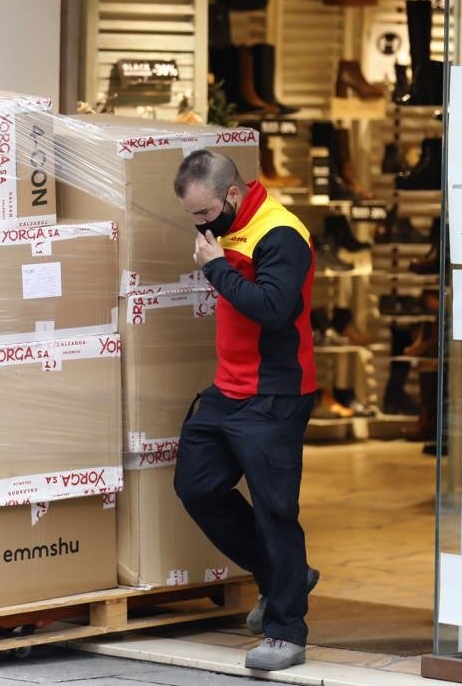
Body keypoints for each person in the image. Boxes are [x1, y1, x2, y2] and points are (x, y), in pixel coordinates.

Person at [171, 149, 320, 671]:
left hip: (275, 395)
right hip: (227, 391)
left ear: (232, 195)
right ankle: (284, 574)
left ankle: (286, 633)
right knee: (196, 485)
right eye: (194, 218)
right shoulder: (228, 227)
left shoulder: (280, 234)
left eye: (206, 215)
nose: (200, 225)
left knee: (277, 511)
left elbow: (276, 311)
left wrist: (215, 268)